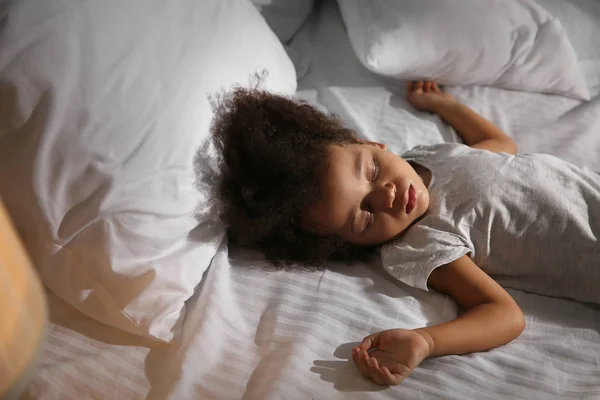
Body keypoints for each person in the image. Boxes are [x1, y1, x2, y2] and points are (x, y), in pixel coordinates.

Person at [210, 81, 600, 386]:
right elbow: (504, 315)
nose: (387, 196)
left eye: (374, 170)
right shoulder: (418, 244)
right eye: (364, 216)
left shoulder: (426, 157)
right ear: (350, 245)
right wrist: (427, 342)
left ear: (373, 144)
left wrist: (446, 106)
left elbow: (498, 150)